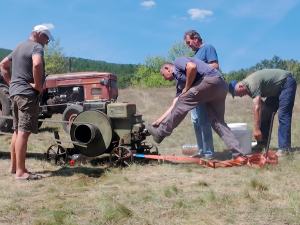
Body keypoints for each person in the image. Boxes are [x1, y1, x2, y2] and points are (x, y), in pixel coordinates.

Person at [146, 57, 246, 160]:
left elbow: (192, 67)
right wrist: (158, 121)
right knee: (218, 123)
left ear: (167, 68)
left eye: (163, 75)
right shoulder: (180, 82)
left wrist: (186, 88)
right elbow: (175, 104)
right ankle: (239, 155)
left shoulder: (178, 62)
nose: (164, 79)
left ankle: (161, 133)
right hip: (221, 85)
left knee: (183, 102)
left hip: (210, 81)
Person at [0, 25, 54, 180]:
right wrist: (37, 85)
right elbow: (37, 64)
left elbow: (3, 65)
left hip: (15, 94)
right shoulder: (36, 47)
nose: (47, 43)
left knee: (17, 131)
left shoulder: (18, 47)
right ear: (39, 35)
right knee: (24, 131)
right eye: (47, 38)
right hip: (27, 95)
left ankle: (13, 167)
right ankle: (21, 172)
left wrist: (11, 84)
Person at [228, 69, 297, 157]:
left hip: (286, 83)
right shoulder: (248, 90)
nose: (240, 96)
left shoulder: (252, 84)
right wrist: (259, 111)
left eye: (238, 94)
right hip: (275, 91)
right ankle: (262, 144)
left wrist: (256, 129)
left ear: (241, 87)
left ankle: (284, 149)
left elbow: (258, 107)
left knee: (283, 115)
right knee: (265, 114)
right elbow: (261, 106)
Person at [183, 30, 219, 158]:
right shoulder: (196, 54)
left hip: (203, 90)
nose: (188, 46)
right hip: (194, 92)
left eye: (189, 42)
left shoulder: (208, 48)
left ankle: (209, 153)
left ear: (196, 38)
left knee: (204, 121)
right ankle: (201, 151)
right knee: (196, 122)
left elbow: (214, 65)